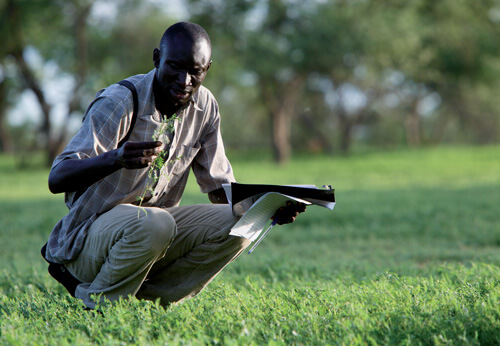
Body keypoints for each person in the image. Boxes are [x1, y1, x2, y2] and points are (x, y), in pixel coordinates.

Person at [42, 22, 305, 309]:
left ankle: (151, 303)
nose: (185, 80)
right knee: (155, 222)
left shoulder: (205, 107)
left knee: (241, 223)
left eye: (196, 71)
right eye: (175, 67)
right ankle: (100, 307)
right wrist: (115, 158)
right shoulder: (121, 101)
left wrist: (268, 204)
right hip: (87, 242)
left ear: (207, 69)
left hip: (152, 235)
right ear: (157, 59)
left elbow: (221, 192)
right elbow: (57, 178)